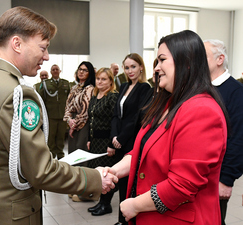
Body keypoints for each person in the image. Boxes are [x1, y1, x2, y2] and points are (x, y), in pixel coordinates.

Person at [0, 7, 117, 225]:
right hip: (11, 213)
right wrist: (95, 178)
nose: (47, 56)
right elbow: (40, 171)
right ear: (17, 44)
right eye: (43, 47)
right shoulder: (17, 94)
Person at [103, 30, 228, 225]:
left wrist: (135, 205)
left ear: (186, 62)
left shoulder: (202, 111)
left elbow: (182, 186)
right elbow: (143, 150)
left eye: (162, 60)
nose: (156, 68)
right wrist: (114, 171)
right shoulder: (169, 104)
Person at [204, 39, 243, 225]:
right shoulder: (202, 88)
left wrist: (227, 178)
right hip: (197, 171)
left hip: (217, 175)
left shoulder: (236, 92)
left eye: (204, 56)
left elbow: (238, 138)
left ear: (220, 59)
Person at [111, 53, 151, 225]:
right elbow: (116, 115)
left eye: (133, 66)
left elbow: (137, 117)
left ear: (141, 67)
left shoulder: (145, 88)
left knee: (131, 183)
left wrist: (121, 137)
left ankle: (128, 220)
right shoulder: (123, 86)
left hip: (131, 139)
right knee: (122, 182)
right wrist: (114, 135)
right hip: (119, 139)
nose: (130, 71)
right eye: (127, 67)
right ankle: (122, 219)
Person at [86, 68, 118, 216]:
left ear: (111, 81)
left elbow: (115, 121)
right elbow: (90, 119)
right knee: (98, 172)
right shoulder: (95, 95)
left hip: (106, 142)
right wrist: (88, 139)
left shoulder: (112, 97)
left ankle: (106, 204)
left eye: (104, 79)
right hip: (95, 141)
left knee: (106, 173)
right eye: (98, 78)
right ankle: (101, 202)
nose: (99, 81)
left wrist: (112, 144)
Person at [63, 61, 95, 155]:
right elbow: (68, 106)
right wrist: (69, 120)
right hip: (72, 120)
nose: (81, 72)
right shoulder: (74, 88)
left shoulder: (90, 88)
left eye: (85, 70)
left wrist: (74, 125)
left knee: (80, 150)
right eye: (80, 69)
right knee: (72, 150)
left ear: (90, 73)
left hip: (83, 123)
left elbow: (85, 110)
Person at [40, 64, 70, 159]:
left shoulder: (65, 83)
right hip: (51, 115)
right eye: (53, 69)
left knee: (61, 136)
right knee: (51, 137)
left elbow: (69, 99)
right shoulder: (46, 84)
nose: (55, 71)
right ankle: (51, 155)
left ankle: (61, 155)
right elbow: (42, 99)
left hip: (62, 115)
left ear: (60, 71)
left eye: (57, 69)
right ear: (51, 72)